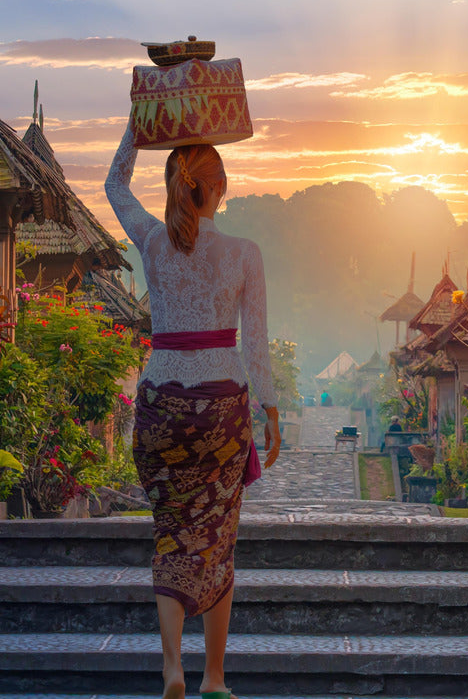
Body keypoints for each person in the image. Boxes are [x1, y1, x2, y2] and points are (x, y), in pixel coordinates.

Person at [106, 133, 281, 699]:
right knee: (216, 539)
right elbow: (255, 343)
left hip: (161, 404)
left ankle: (171, 667)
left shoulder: (152, 241)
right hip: (221, 410)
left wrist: (138, 124)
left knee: (172, 536)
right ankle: (213, 677)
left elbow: (114, 184)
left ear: (174, 186)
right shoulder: (244, 252)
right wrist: (270, 410)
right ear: (220, 188)